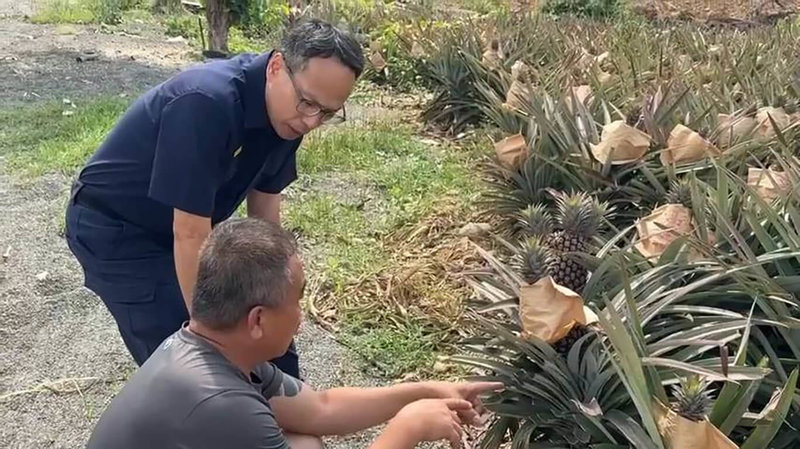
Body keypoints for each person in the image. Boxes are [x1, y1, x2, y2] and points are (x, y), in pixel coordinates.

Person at [64, 19, 363, 376]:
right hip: (118, 230)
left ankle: (283, 411)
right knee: (188, 359)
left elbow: (264, 212)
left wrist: (274, 293)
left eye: (328, 113)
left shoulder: (291, 116)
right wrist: (209, 339)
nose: (313, 122)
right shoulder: (205, 102)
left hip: (189, 227)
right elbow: (189, 233)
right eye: (308, 103)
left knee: (262, 333)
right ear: (276, 67)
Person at [86, 218, 503, 449]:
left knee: (304, 441)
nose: (301, 316)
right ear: (258, 321)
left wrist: (426, 391)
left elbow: (320, 408)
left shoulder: (213, 350)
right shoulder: (221, 404)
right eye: (297, 300)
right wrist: (408, 428)